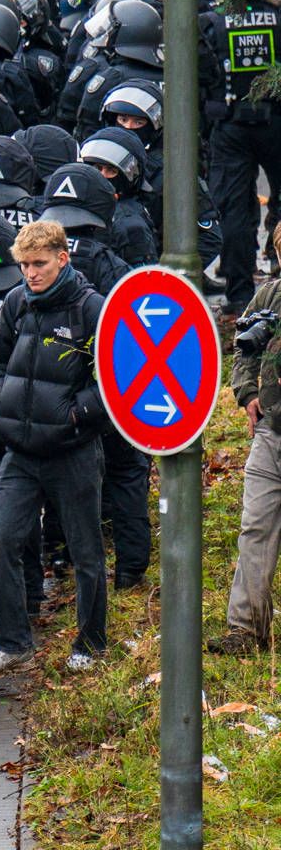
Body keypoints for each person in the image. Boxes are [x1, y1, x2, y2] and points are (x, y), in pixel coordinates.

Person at [0, 219, 110, 676]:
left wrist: (77, 414)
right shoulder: (16, 303)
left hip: (72, 450)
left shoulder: (90, 308)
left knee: (85, 552)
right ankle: (13, 643)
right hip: (21, 451)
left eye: (39, 264)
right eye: (25, 265)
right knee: (0, 541)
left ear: (62, 259)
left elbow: (115, 378)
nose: (31, 273)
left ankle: (91, 645)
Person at [218, 247, 281, 651]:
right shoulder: (270, 295)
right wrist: (246, 393)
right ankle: (245, 629)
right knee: (255, 525)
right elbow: (244, 345)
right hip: (272, 431)